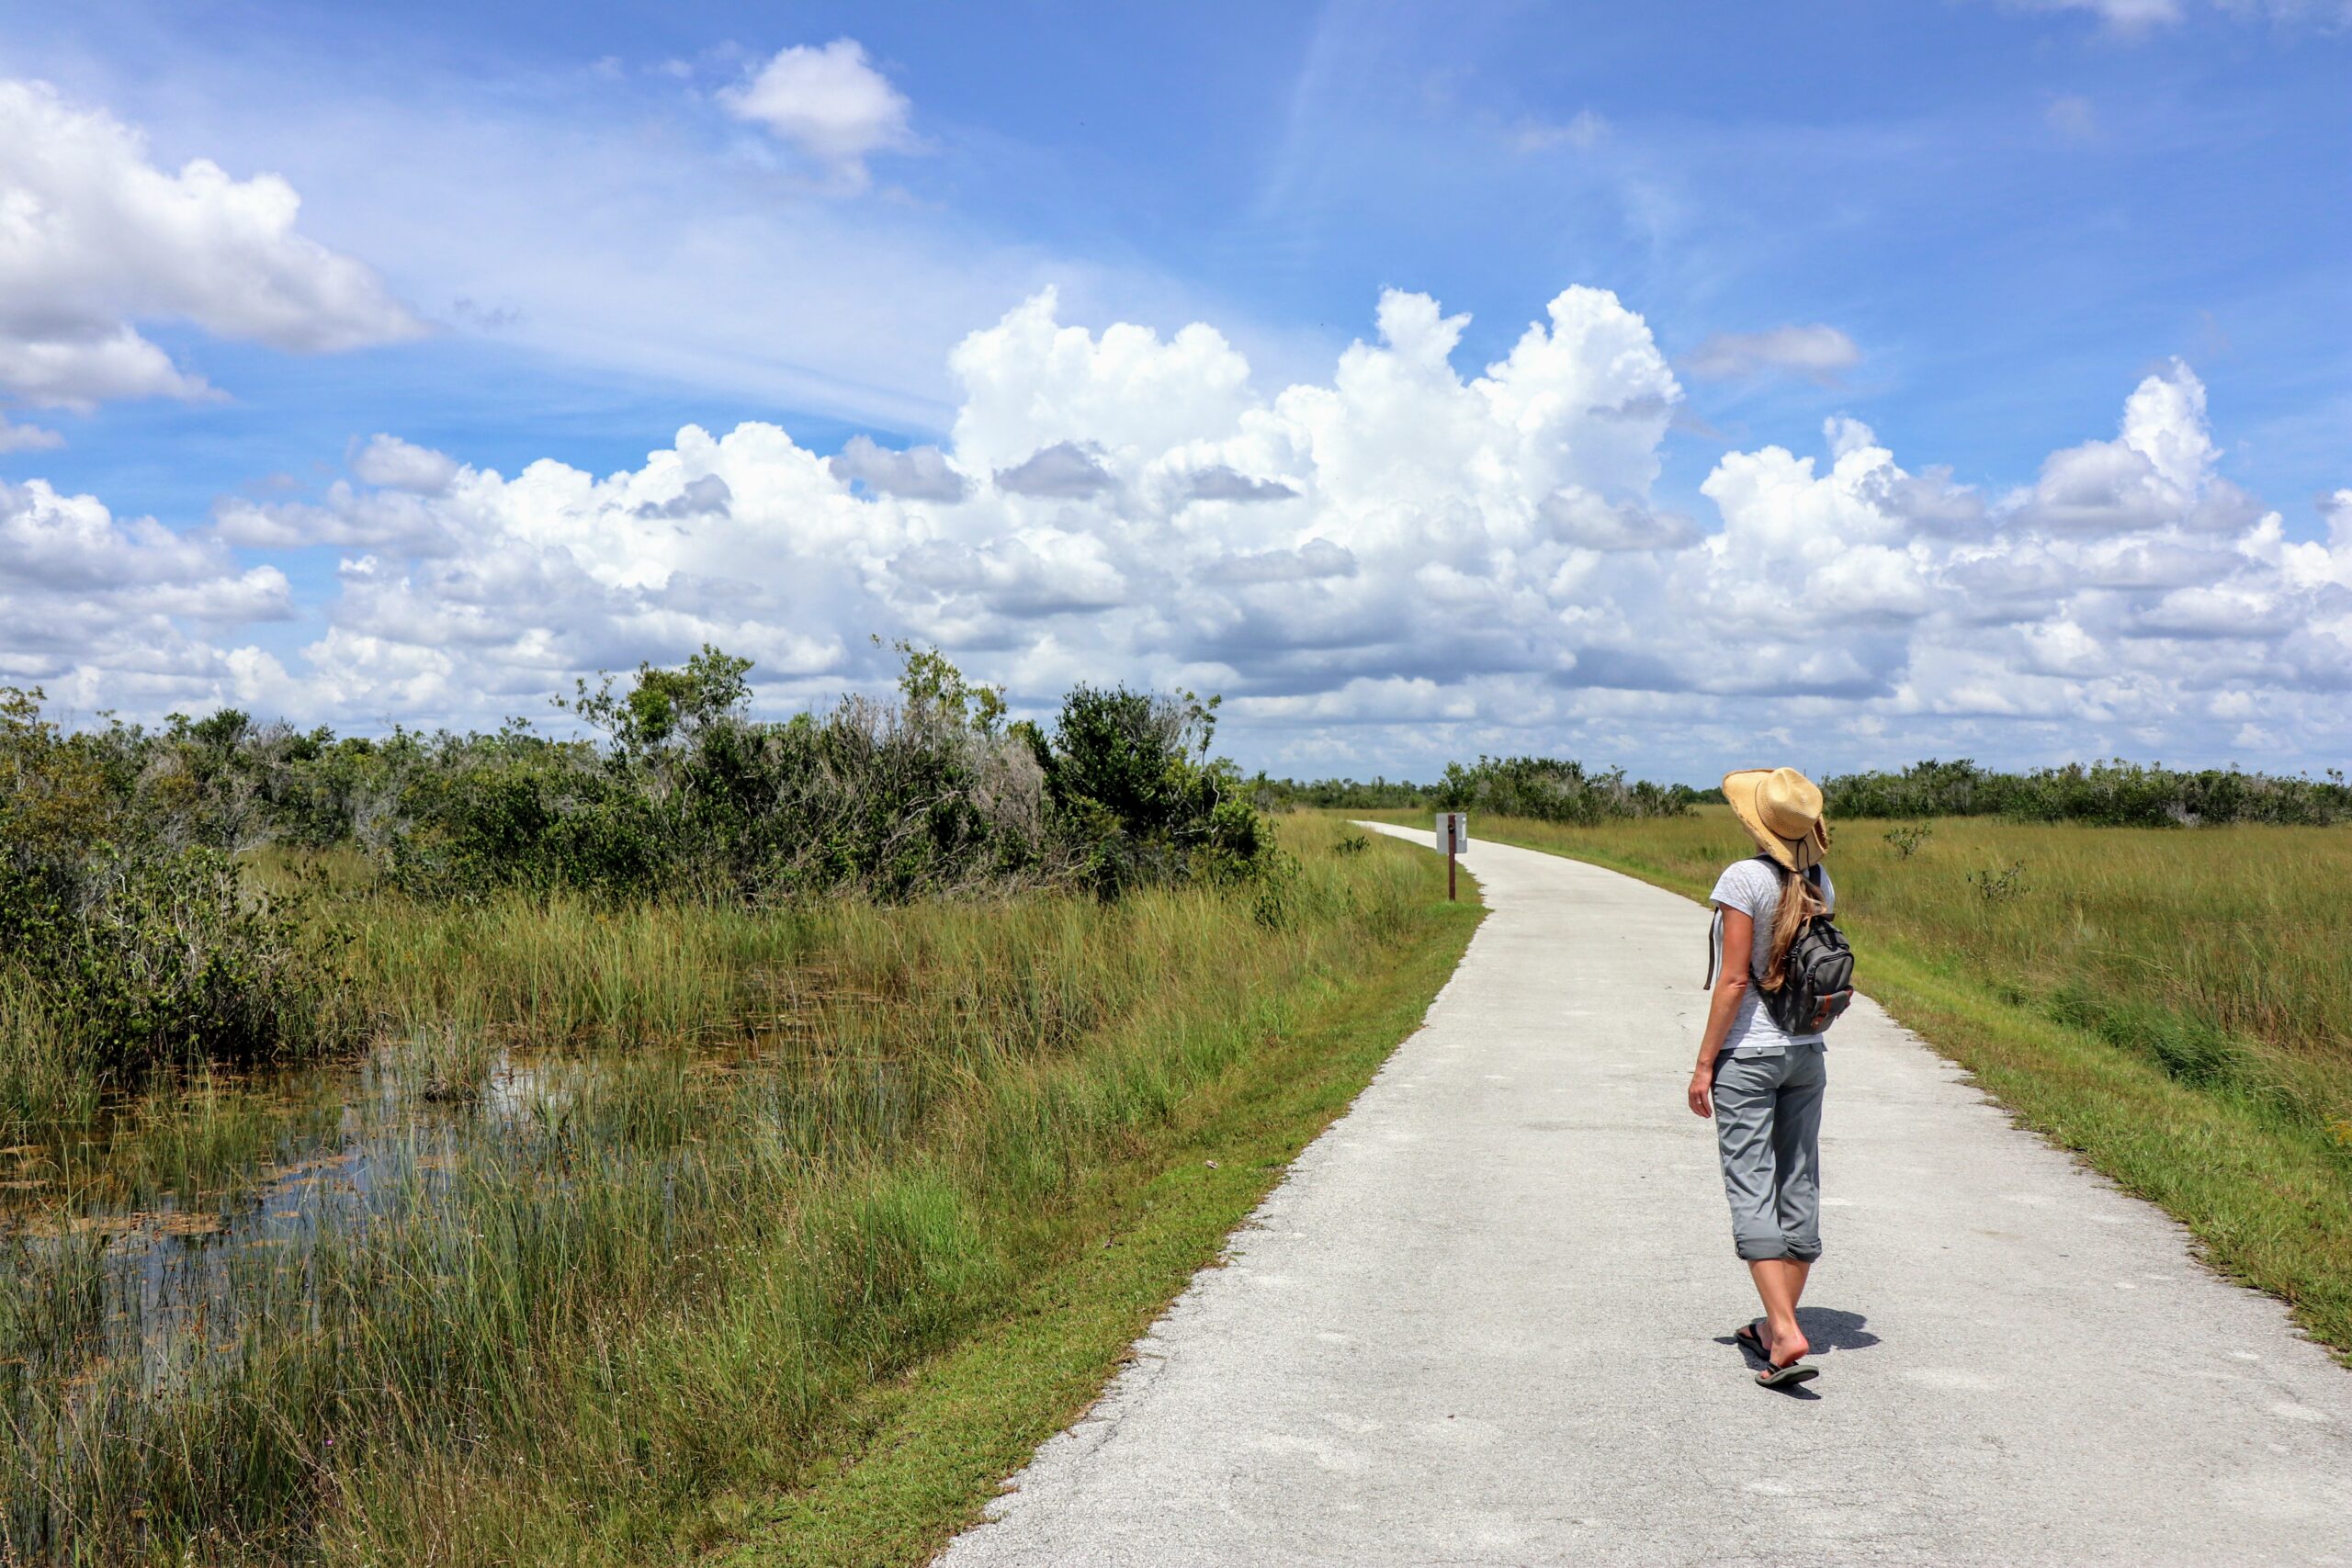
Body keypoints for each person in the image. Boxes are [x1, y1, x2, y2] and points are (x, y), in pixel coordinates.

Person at [1685, 766, 1835, 1390]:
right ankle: (1778, 1324)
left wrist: (1702, 1063)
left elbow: (1735, 979)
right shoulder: (1820, 877)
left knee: (1750, 1186)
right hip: (1807, 1052)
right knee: (1798, 1180)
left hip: (1748, 1056)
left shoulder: (1743, 878)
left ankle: (1784, 1329)